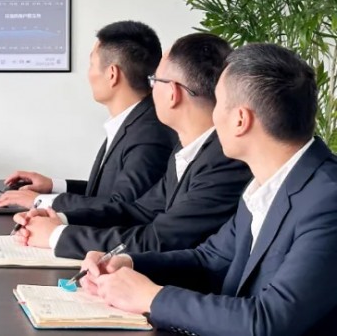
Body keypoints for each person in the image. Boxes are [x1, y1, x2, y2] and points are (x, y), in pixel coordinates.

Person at [82, 43, 337, 336]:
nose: (212, 116)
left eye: (217, 103)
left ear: (240, 120)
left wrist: (151, 297)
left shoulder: (327, 200)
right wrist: (127, 263)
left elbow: (268, 322)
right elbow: (209, 260)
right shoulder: (266, 184)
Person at [13, 33, 251, 258]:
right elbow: (140, 210)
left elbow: (159, 240)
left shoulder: (225, 162)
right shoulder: (187, 149)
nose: (150, 89)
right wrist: (62, 220)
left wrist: (56, 235)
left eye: (155, 80)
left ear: (173, 93)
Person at [0, 21, 175, 212]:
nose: (88, 74)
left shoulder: (149, 134)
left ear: (112, 74)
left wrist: (40, 201)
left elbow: (121, 208)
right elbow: (106, 194)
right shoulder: (136, 120)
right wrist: (53, 186)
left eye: (92, 64)